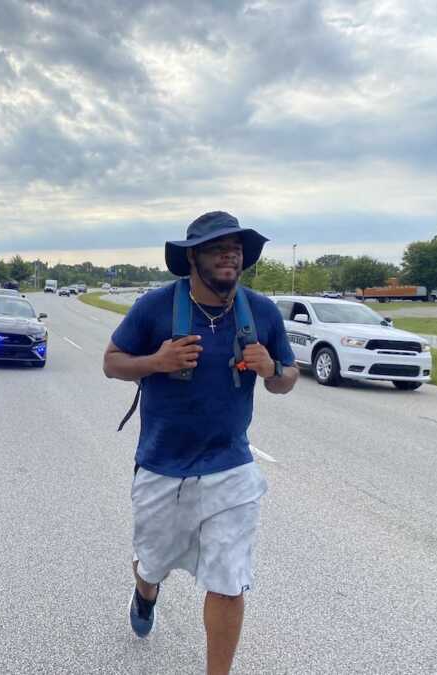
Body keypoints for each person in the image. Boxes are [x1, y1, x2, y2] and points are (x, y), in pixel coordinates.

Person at [103, 211, 297, 675]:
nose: (230, 256)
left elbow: (287, 378)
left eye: (236, 249)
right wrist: (157, 361)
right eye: (217, 248)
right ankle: (146, 591)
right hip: (161, 465)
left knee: (229, 581)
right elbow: (111, 362)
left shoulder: (261, 312)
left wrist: (272, 369)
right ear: (192, 257)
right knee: (152, 564)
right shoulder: (155, 306)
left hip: (230, 465)